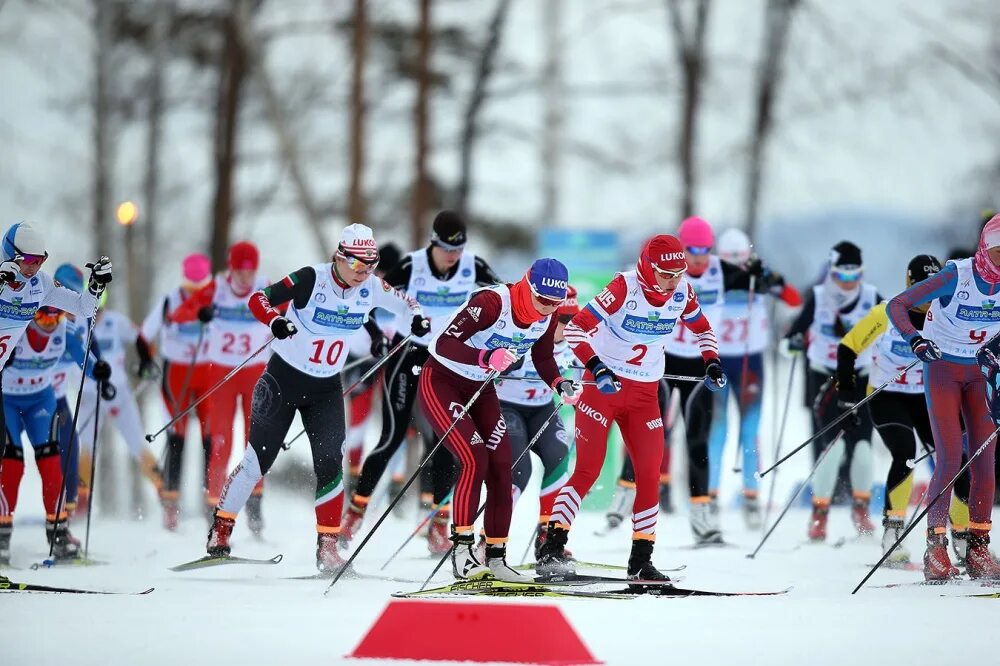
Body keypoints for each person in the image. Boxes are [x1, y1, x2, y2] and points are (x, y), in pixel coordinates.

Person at [205, 224, 428, 573]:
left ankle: (327, 546)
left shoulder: (369, 286)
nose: (363, 274)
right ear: (339, 257)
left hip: (325, 388)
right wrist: (275, 321)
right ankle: (221, 528)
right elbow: (258, 298)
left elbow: (407, 304)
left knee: (330, 464)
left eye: (371, 265)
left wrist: (418, 321)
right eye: (356, 265)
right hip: (283, 380)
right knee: (256, 462)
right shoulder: (313, 278)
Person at [540, 234, 727, 580]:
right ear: (648, 268)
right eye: (666, 275)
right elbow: (578, 330)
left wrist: (711, 361)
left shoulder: (682, 291)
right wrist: (596, 367)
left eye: (678, 274)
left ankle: (641, 560)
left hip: (644, 395)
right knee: (589, 470)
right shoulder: (624, 287)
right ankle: (552, 546)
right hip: (603, 390)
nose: (673, 283)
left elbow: (704, 330)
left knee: (649, 474)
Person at [341, 211, 502, 554]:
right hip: (408, 353)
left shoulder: (475, 266)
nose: (452, 257)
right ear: (433, 242)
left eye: (457, 250)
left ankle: (438, 526)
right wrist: (375, 336)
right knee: (392, 437)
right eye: (446, 249)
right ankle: (355, 513)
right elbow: (366, 298)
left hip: (448, 361)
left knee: (446, 440)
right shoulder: (411, 266)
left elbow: (502, 301)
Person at [419, 258, 579, 581]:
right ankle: (462, 552)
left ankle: (495, 556)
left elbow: (543, 357)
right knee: (474, 458)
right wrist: (484, 357)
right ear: (527, 286)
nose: (548, 309)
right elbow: (442, 343)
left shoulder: (546, 317)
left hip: (480, 385)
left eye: (555, 304)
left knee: (503, 465)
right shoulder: (492, 303)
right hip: (442, 381)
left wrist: (559, 383)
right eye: (542, 301)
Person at [887, 215, 1000, 580]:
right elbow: (897, 305)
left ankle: (977, 547)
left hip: (980, 372)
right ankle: (935, 550)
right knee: (950, 458)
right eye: (999, 253)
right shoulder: (957, 275)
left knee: (985, 463)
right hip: (943, 372)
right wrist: (915, 340)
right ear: (985, 248)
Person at [0, 222, 112, 561]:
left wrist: (95, 288)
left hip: (37, 397)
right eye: (28, 261)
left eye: (40, 260)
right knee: (10, 463)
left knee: (47, 461)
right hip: (7, 393)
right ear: (10, 256)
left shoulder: (40, 286)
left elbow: (83, 309)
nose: (34, 268)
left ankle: (58, 535)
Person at [662, 217, 766, 544]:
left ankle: (702, 515)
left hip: (701, 364)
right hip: (662, 362)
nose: (699, 256)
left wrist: (760, 273)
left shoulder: (721, 270)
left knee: (699, 439)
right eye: (692, 249)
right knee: (654, 435)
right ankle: (641, 507)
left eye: (705, 249)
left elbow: (760, 281)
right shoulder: (663, 273)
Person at [836, 254, 944, 564]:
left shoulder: (945, 314)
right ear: (909, 284)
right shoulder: (887, 313)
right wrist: (845, 392)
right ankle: (893, 532)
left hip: (927, 397)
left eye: (934, 285)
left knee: (955, 456)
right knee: (906, 453)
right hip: (888, 396)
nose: (928, 293)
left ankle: (965, 536)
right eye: (922, 285)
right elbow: (848, 347)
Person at [169, 241, 272, 530]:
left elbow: (295, 309)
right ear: (231, 268)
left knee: (257, 440)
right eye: (240, 271)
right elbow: (179, 316)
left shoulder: (265, 287)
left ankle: (255, 504)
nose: (245, 279)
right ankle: (214, 505)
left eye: (250, 272)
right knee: (220, 441)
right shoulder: (216, 289)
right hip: (223, 374)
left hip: (255, 373)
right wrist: (199, 314)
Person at [784, 241, 880, 541]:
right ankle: (819, 512)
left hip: (861, 378)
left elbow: (896, 328)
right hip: (824, 378)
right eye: (843, 275)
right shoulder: (818, 296)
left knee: (863, 450)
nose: (849, 282)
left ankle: (861, 507)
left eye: (855, 275)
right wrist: (795, 342)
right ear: (832, 270)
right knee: (832, 448)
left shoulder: (872, 296)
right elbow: (790, 338)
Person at [707, 228, 801, 528]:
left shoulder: (758, 274)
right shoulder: (710, 274)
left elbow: (793, 298)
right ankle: (709, 497)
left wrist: (770, 278)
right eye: (728, 261)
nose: (735, 267)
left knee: (750, 432)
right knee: (716, 431)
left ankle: (751, 496)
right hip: (717, 362)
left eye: (741, 261)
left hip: (750, 364)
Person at [496, 284, 580, 560]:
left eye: (572, 320)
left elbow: (584, 375)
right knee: (520, 470)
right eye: (564, 320)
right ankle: (492, 540)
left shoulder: (573, 345)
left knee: (558, 458)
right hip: (508, 406)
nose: (568, 327)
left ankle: (548, 537)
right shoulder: (529, 334)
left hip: (542, 408)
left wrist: (579, 389)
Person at [140, 253, 214, 530]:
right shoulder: (170, 300)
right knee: (177, 437)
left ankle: (211, 503)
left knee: (211, 439)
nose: (195, 293)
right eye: (191, 287)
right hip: (177, 375)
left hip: (207, 373)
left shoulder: (215, 299)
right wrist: (147, 362)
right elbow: (144, 336)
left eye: (200, 287)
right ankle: (171, 506)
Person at [76, 296, 164, 511]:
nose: (97, 313)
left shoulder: (116, 321)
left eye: (100, 308)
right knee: (85, 447)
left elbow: (142, 338)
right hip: (89, 395)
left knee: (137, 443)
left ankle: (164, 492)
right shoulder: (76, 322)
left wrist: (146, 361)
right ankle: (79, 502)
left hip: (119, 393)